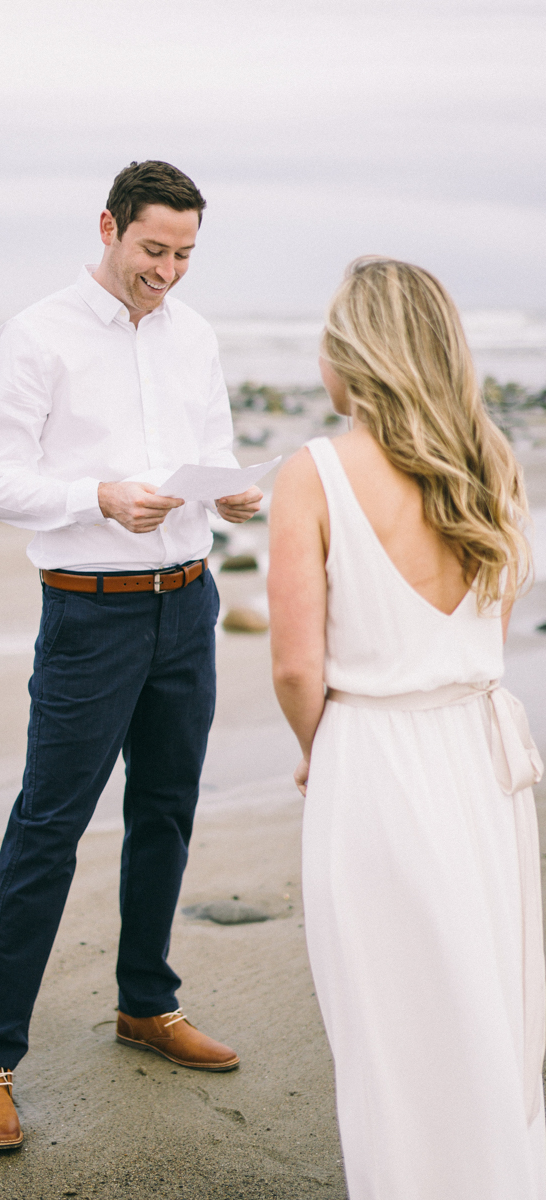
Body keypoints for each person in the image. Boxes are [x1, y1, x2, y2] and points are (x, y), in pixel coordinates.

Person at [0, 160, 262, 1149]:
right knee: (48, 827)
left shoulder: (195, 334)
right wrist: (96, 496)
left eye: (182, 255)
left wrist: (233, 492)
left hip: (187, 605)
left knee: (165, 812)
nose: (166, 272)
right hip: (87, 617)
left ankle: (145, 1004)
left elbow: (208, 447)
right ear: (108, 228)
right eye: (151, 250)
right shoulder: (37, 334)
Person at [268, 256, 546, 1199]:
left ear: (353, 352)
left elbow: (298, 666)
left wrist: (318, 752)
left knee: (389, 1025)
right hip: (479, 761)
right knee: (483, 1001)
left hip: (373, 762)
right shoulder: (494, 462)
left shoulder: (313, 473)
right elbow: (489, 640)